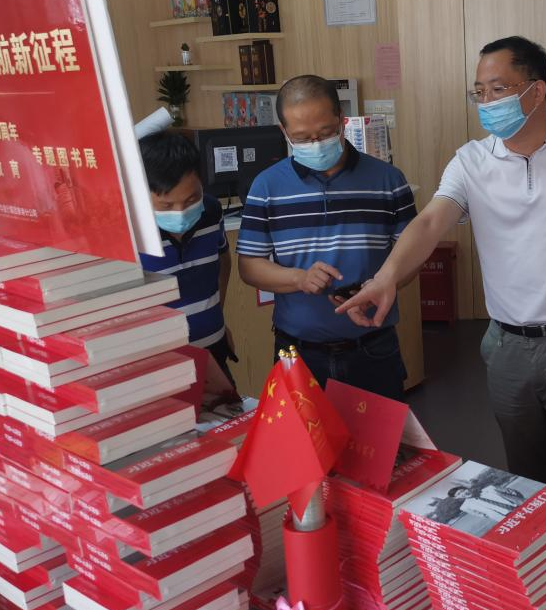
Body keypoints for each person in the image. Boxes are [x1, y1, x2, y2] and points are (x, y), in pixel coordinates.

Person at [337, 36, 546, 544]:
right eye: (479, 91)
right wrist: (387, 276)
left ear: (536, 91)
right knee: (522, 481)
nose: (486, 102)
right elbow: (430, 222)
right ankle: (534, 573)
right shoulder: (471, 161)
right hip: (507, 346)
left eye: (498, 89)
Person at [238, 75, 417, 399]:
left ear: (341, 120)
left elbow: (412, 255)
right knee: (302, 435)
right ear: (283, 132)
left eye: (325, 133)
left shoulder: (388, 180)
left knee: (380, 433)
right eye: (302, 138)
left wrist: (379, 286)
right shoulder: (266, 187)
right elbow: (249, 266)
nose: (316, 144)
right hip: (298, 353)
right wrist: (299, 278)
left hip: (372, 348)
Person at [137, 131, 236, 387]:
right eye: (166, 206)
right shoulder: (130, 233)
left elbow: (222, 263)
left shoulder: (210, 211)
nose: (181, 213)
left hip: (215, 351)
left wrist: (217, 319)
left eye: (192, 199)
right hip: (161, 368)